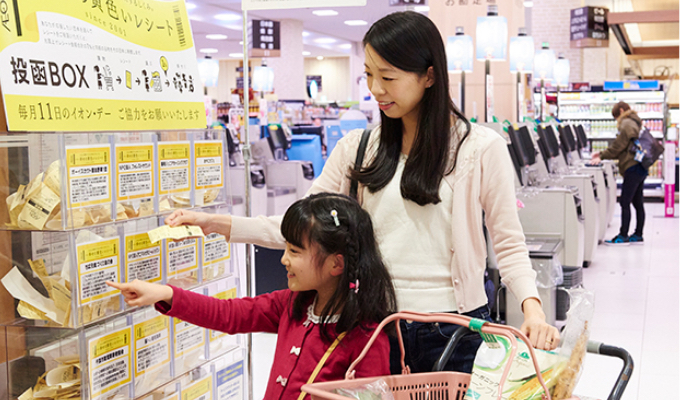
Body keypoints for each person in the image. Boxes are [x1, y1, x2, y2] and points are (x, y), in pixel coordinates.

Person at [165, 11, 559, 374]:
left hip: (455, 331)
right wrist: (218, 223)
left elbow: (508, 243)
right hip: (373, 327)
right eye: (370, 75)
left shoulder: (480, 149)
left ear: (429, 76)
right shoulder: (358, 148)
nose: (375, 89)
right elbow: (302, 226)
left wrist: (533, 310)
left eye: (387, 78)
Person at [108, 193, 397, 400]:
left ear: (337, 264)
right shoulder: (293, 304)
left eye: (294, 252)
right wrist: (166, 294)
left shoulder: (368, 337)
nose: (284, 260)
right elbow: (230, 314)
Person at [591, 101, 646, 245]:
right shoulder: (635, 121)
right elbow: (624, 147)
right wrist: (602, 153)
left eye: (616, 117)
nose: (617, 120)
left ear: (621, 111)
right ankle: (638, 234)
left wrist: (601, 156)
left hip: (632, 166)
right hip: (640, 166)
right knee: (637, 202)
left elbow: (618, 147)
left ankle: (623, 236)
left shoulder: (626, 123)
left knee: (625, 201)